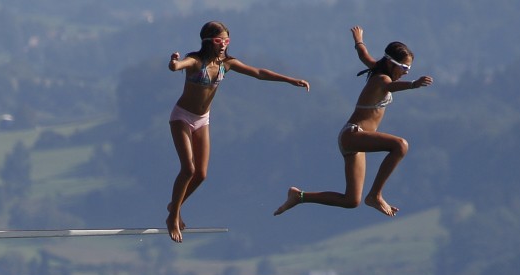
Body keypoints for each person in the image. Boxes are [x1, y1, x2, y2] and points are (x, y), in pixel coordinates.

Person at [167, 21, 310, 242]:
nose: (223, 45)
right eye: (218, 41)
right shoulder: (196, 61)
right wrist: (174, 62)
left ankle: (174, 206)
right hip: (182, 117)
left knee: (201, 174)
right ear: (207, 42)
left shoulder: (227, 64)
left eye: (226, 41)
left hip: (202, 120)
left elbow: (259, 73)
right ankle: (173, 215)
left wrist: (290, 80)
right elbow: (177, 66)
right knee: (188, 169)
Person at [274, 26, 433, 217]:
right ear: (391, 63)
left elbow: (363, 54)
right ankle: (375, 195)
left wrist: (359, 40)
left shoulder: (376, 68)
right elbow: (392, 86)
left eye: (409, 69)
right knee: (400, 145)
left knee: (351, 201)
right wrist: (413, 84)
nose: (407, 72)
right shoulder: (382, 78)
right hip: (353, 134)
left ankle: (299, 196)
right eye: (405, 67)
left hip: (356, 141)